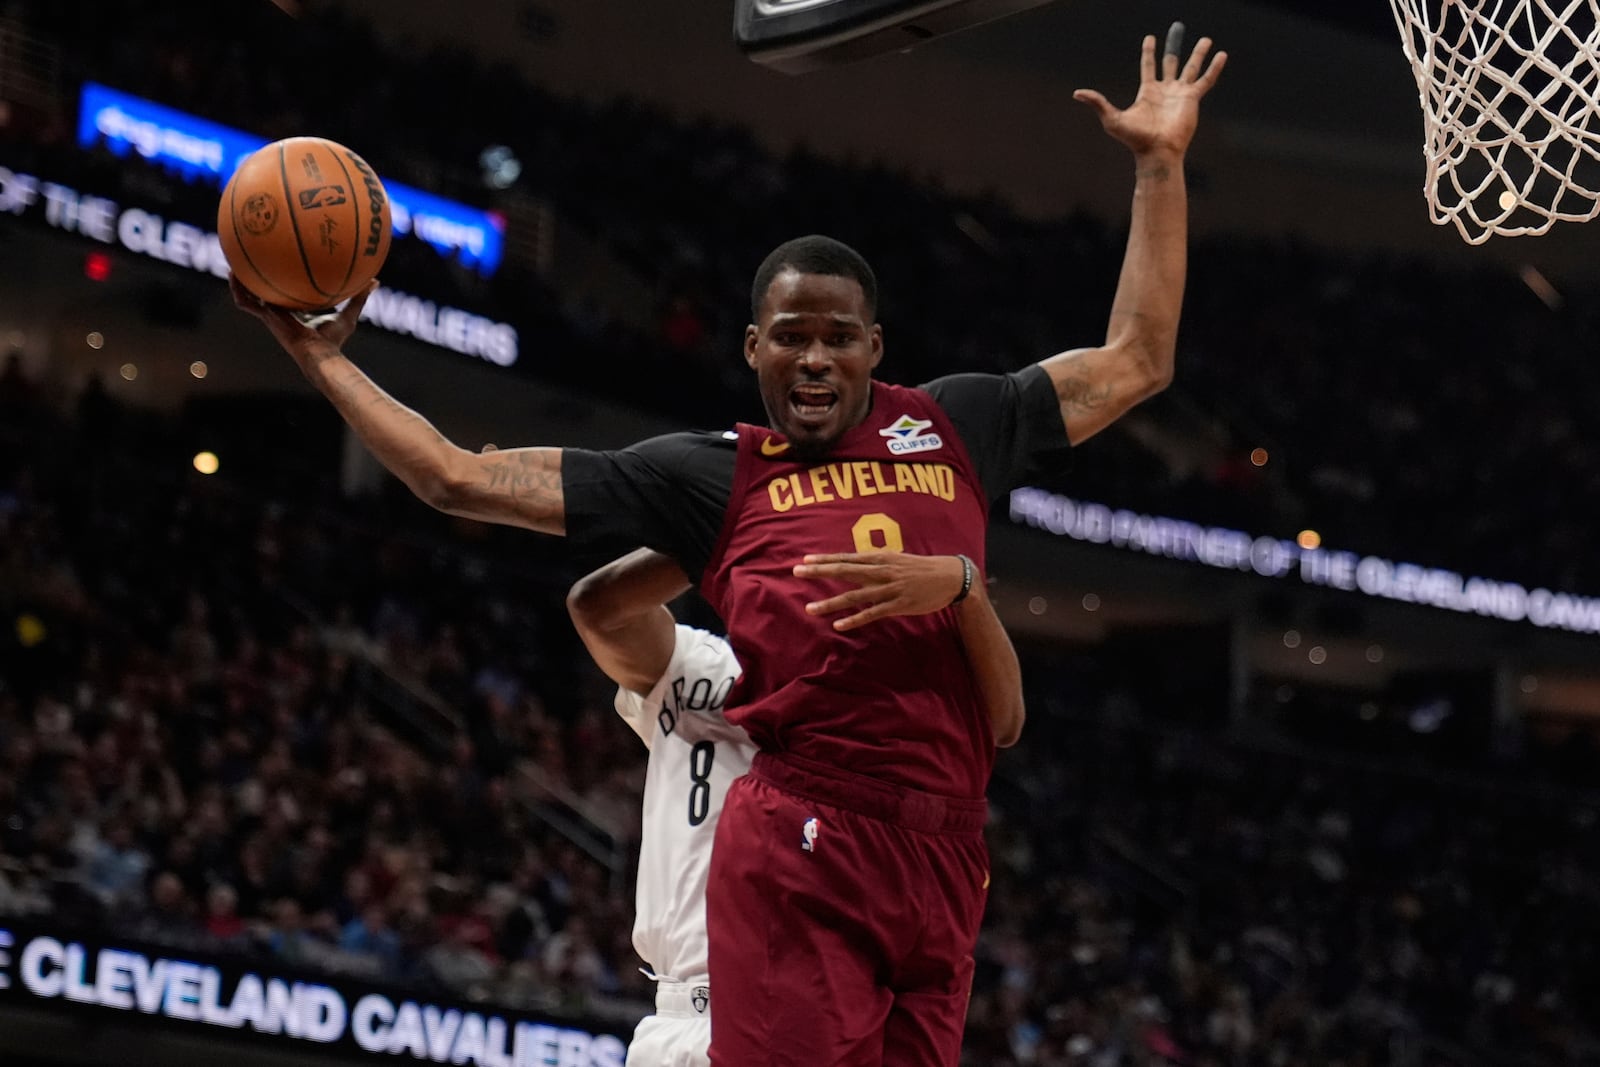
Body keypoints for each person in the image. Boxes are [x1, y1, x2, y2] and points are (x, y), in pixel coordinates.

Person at [231, 27, 1224, 1064]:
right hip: (808, 835)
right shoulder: (713, 473)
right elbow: (456, 475)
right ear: (753, 345)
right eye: (789, 333)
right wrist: (317, 355)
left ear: (873, 348)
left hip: (945, 851)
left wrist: (1158, 166)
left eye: (837, 334)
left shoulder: (958, 422)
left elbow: (1138, 361)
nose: (813, 355)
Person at [565, 546, 1023, 1067]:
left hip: (824, 1012)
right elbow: (596, 607)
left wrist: (965, 585)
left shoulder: (891, 723)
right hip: (688, 1013)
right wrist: (721, 525)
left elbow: (1003, 722)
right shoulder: (703, 665)